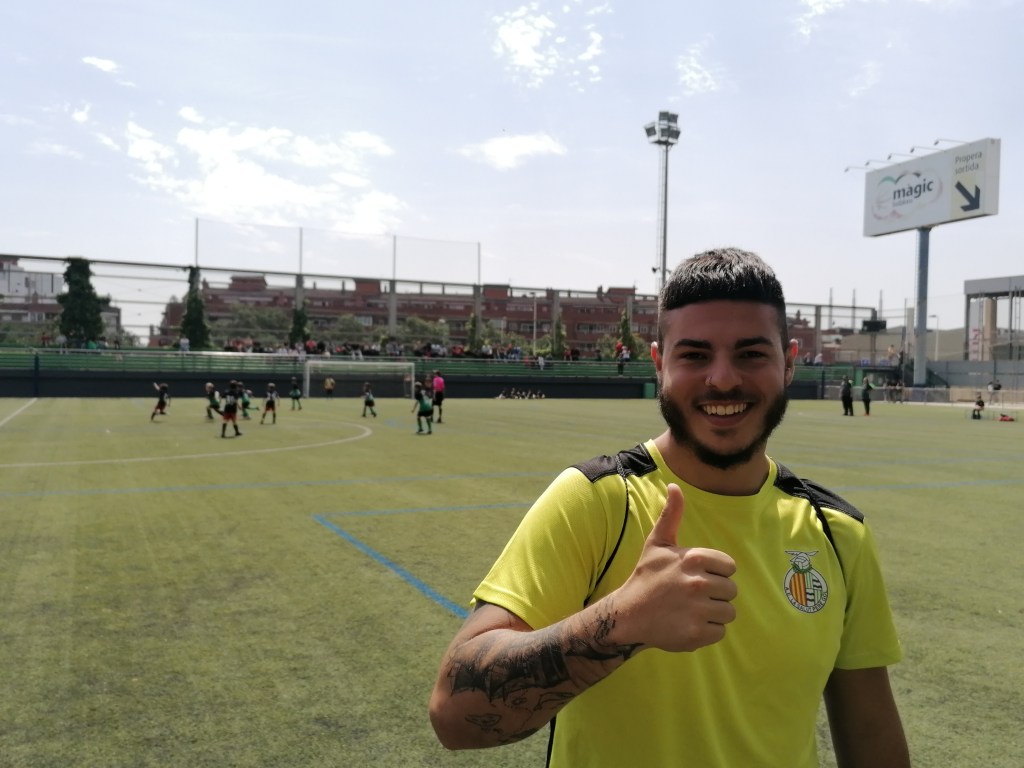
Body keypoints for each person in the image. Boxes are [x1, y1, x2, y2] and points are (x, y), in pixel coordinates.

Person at [429, 248, 908, 767]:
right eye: (694, 356)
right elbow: (454, 716)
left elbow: (871, 733)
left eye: (751, 354)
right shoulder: (597, 500)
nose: (722, 379)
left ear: (790, 362)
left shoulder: (837, 532)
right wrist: (621, 621)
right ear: (659, 363)